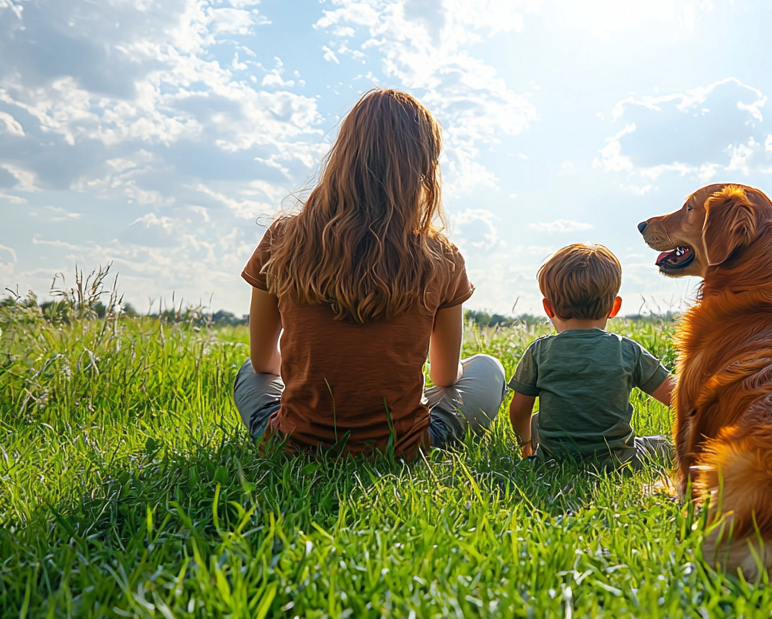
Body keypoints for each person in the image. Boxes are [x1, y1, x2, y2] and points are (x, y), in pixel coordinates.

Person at [232, 88, 506, 457]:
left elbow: (265, 362)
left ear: (344, 153)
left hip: (294, 442)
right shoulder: (441, 256)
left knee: (249, 370)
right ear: (423, 166)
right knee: (487, 367)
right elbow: (444, 378)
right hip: (402, 446)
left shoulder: (283, 238)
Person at [507, 243, 676, 467]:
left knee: (538, 420)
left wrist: (526, 443)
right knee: (665, 446)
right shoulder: (628, 351)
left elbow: (519, 409)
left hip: (554, 462)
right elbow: (678, 397)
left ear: (548, 308)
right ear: (614, 307)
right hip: (620, 460)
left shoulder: (539, 352)